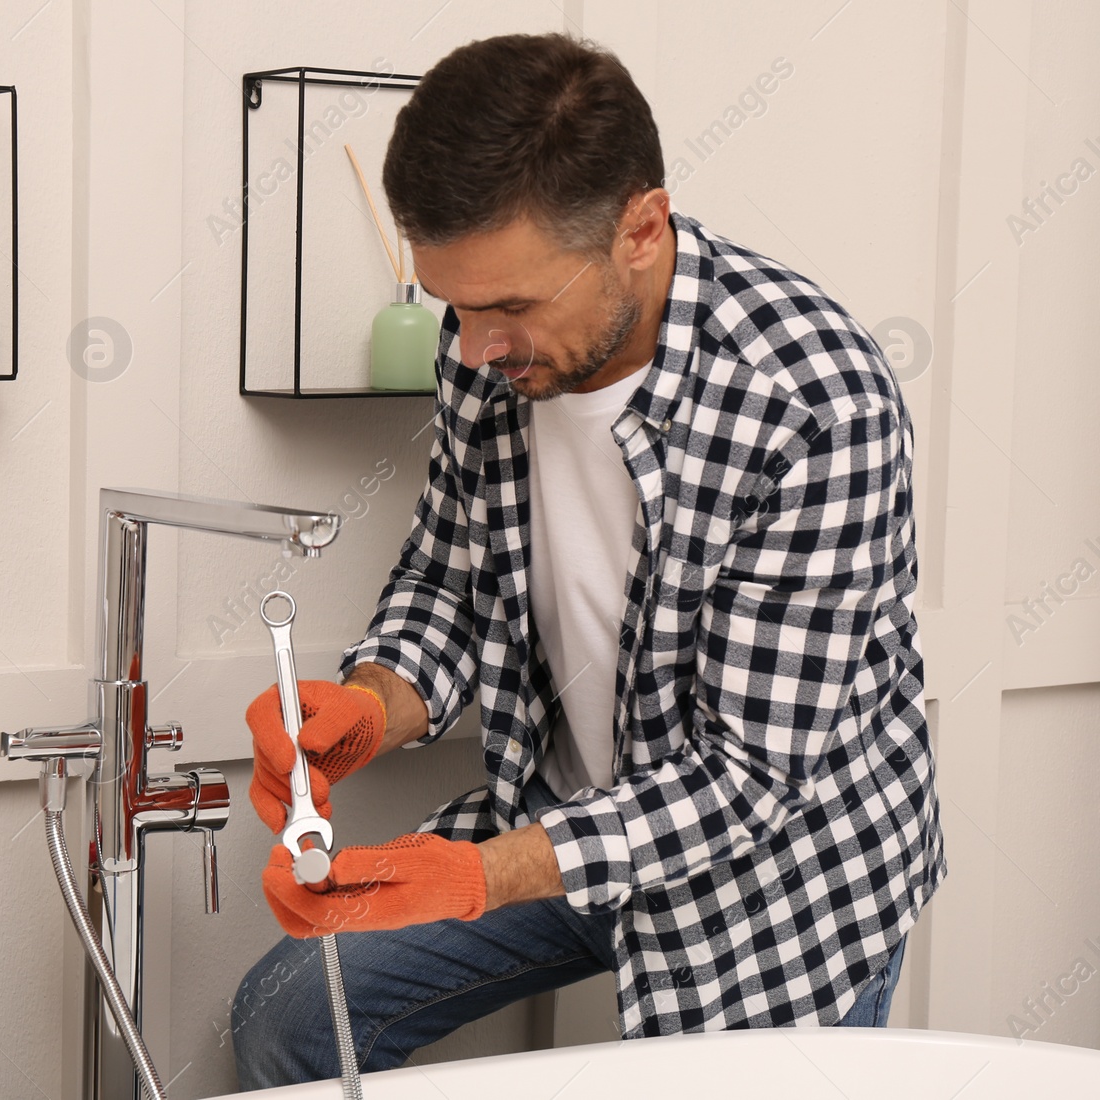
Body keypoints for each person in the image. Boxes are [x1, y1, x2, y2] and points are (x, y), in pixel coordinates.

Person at [231, 30, 945, 1089]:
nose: (474, 349)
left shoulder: (812, 401)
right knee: (290, 1015)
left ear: (641, 230)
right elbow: (449, 580)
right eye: (455, 306)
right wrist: (371, 706)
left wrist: (477, 874)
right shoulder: (488, 346)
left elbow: (746, 776)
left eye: (511, 306)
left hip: (776, 876)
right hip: (558, 815)